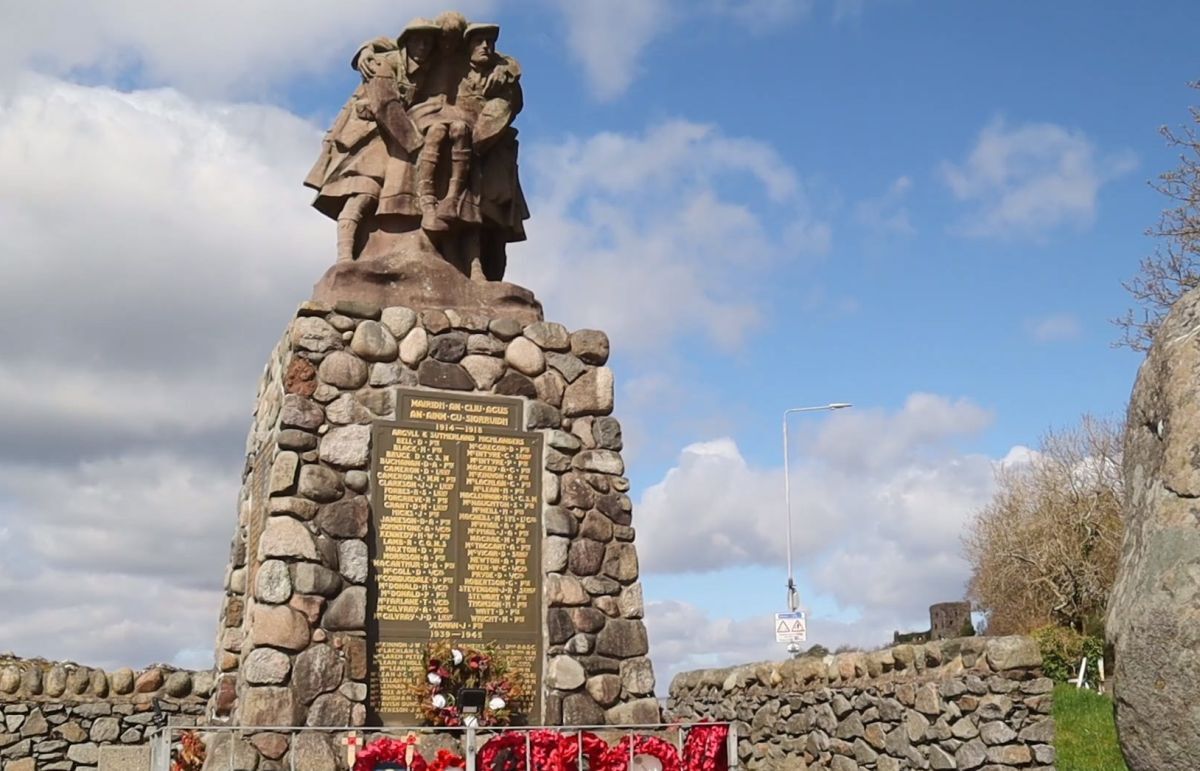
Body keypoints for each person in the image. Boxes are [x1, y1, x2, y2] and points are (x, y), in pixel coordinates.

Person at [303, 18, 439, 262]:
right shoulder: (383, 64)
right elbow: (386, 106)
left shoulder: (428, 70)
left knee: (375, 195)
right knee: (362, 192)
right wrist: (417, 145)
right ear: (407, 42)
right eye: (418, 40)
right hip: (365, 137)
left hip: (390, 139)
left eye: (428, 42)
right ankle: (344, 257)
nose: (423, 47)